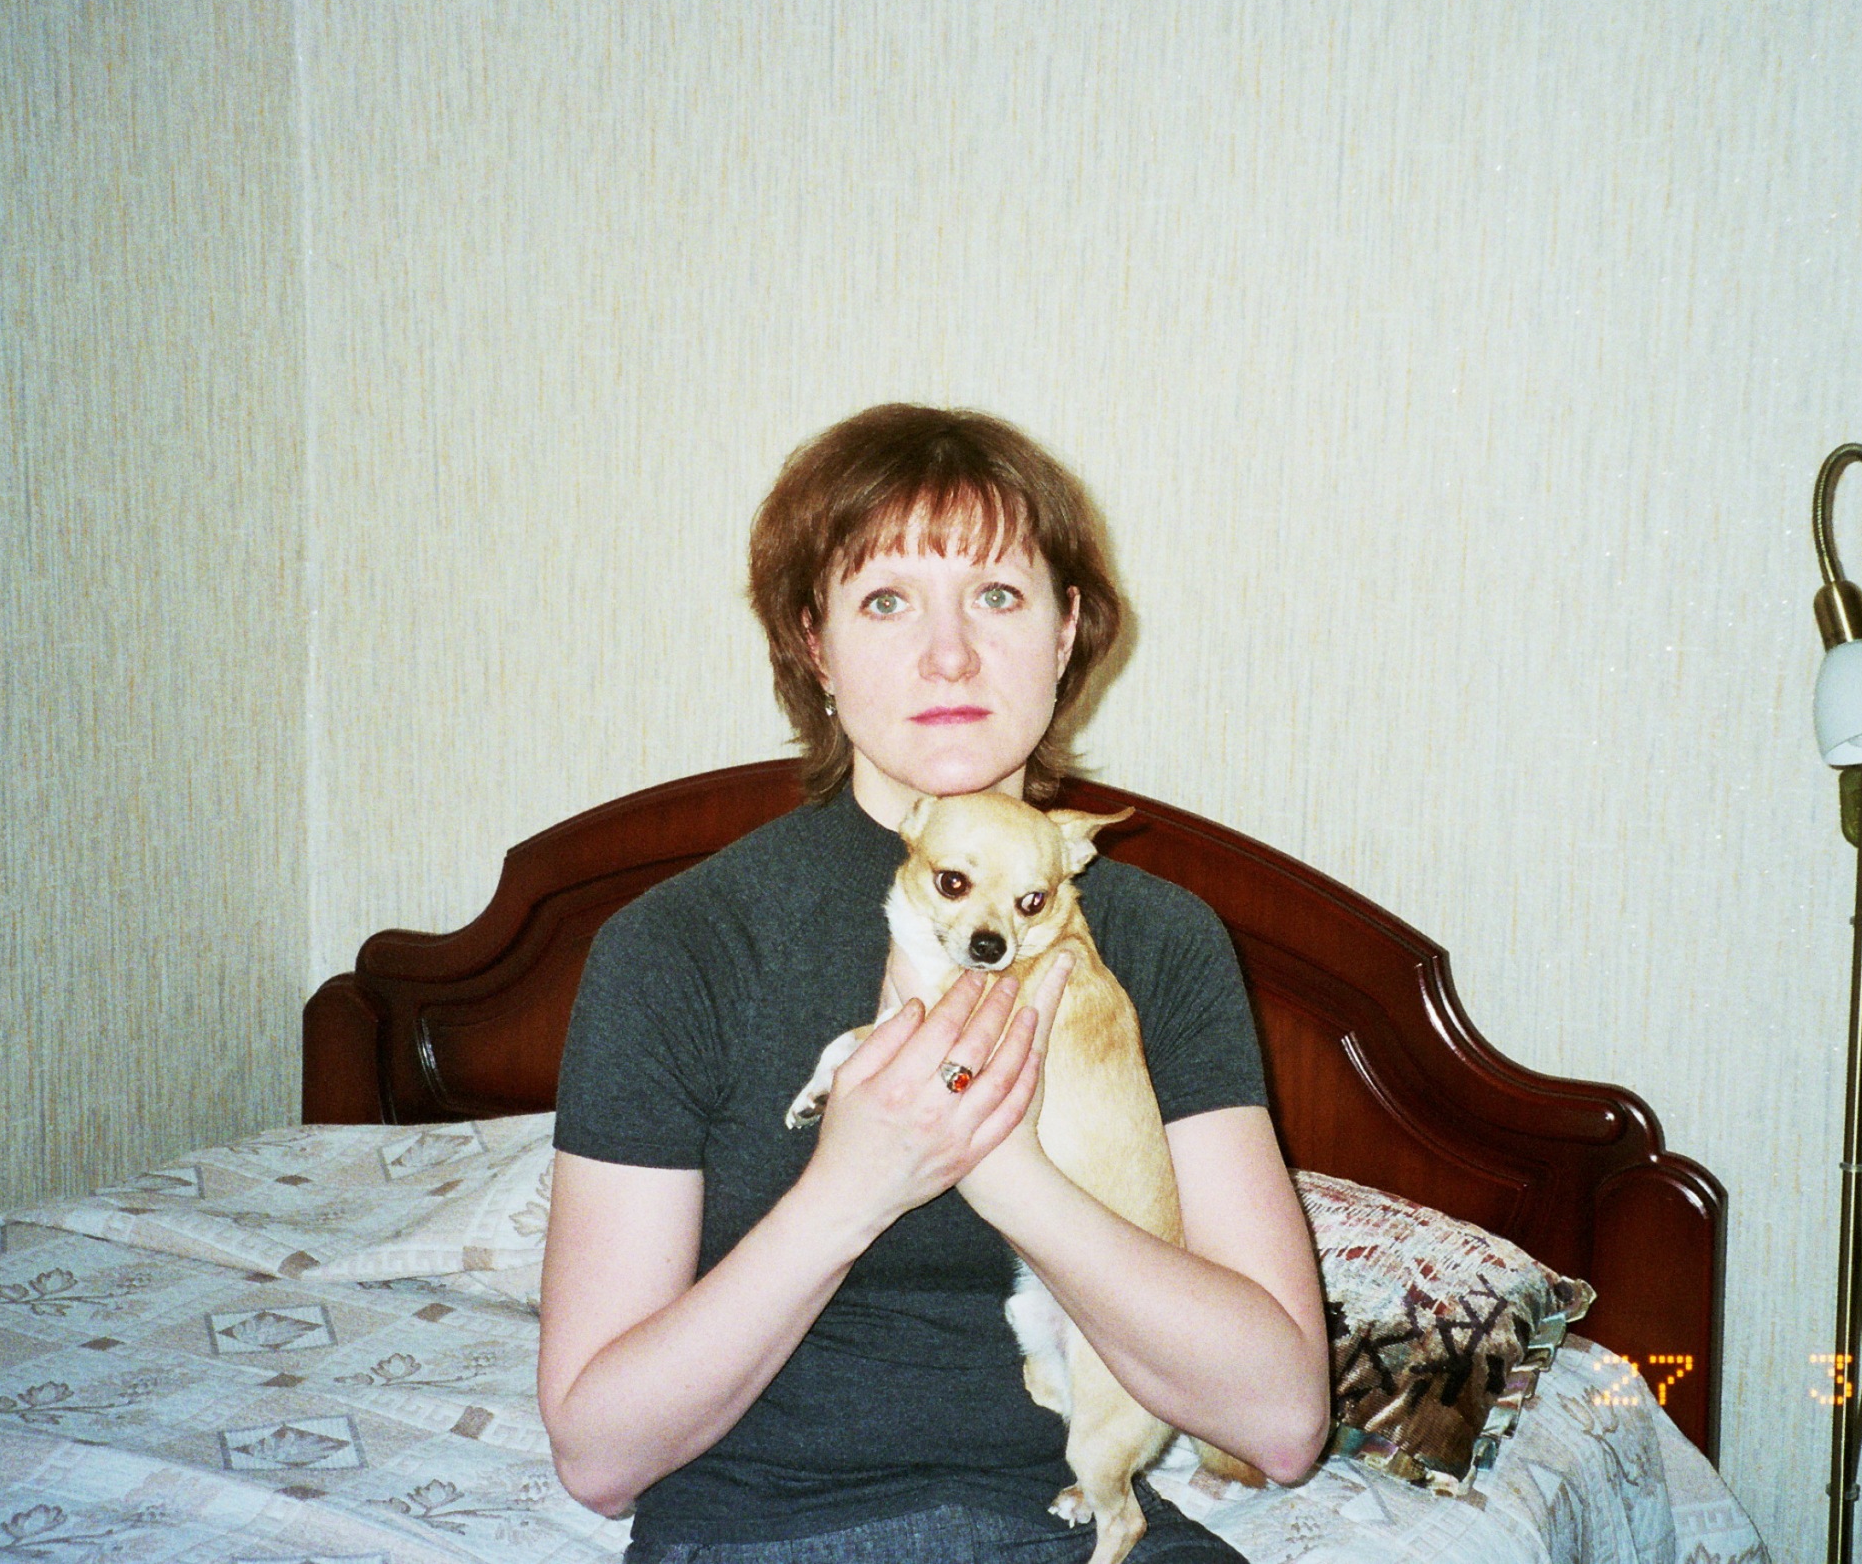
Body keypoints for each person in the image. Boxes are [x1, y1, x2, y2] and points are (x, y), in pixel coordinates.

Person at [537, 404, 1330, 1562]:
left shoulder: (1161, 944)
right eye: (885, 601)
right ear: (813, 644)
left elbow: (1282, 1421)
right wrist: (853, 1184)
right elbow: (599, 1457)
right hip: (767, 1534)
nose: (948, 654)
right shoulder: (679, 946)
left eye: (997, 596)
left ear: (1066, 632)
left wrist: (999, 1168)